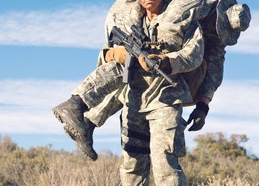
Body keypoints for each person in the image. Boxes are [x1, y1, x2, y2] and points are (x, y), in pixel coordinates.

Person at [52, 0, 251, 161]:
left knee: (134, 74)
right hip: (140, 28)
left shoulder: (213, 39)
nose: (215, 30)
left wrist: (203, 106)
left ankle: (88, 120)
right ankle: (78, 109)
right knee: (127, 66)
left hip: (173, 72)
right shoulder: (193, 7)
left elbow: (214, 69)